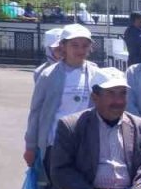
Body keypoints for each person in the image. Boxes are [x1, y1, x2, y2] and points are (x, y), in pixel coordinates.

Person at [24, 24, 101, 170]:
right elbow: (36, 112)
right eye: (74, 45)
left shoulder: (96, 73)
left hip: (84, 144)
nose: (80, 50)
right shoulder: (48, 75)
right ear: (63, 46)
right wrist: (31, 146)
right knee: (54, 188)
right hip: (55, 142)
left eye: (85, 45)